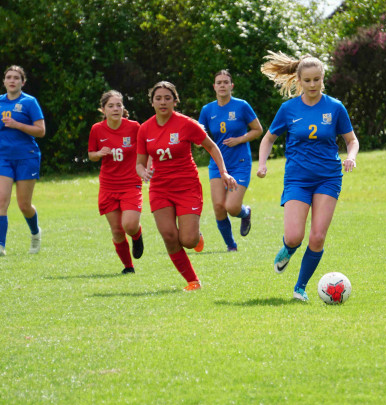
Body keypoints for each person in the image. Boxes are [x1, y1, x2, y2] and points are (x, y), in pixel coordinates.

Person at [257, 51, 359, 301]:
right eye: (308, 80)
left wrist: (351, 156)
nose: (313, 85)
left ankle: (299, 288)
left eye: (317, 80)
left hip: (328, 177)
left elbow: (351, 140)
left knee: (317, 236)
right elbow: (268, 138)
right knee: (294, 236)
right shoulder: (288, 109)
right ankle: (288, 249)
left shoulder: (335, 107)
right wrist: (262, 164)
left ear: (323, 79)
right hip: (297, 179)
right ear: (299, 81)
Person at [136, 81, 237, 291]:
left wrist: (223, 172)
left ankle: (196, 236)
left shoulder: (186, 124)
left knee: (188, 240)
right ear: (152, 102)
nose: (163, 102)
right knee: (169, 236)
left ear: (175, 101)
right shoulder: (144, 129)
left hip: (187, 187)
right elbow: (139, 162)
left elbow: (212, 147)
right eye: (158, 98)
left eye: (167, 98)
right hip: (160, 189)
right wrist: (143, 172)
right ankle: (193, 281)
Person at [199, 70, 263, 251]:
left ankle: (246, 212)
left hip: (240, 163)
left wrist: (240, 139)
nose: (222, 85)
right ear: (214, 86)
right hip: (218, 165)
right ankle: (231, 246)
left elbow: (258, 130)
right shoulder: (207, 110)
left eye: (225, 82)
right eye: (218, 82)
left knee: (232, 207)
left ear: (231, 86)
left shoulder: (242, 106)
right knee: (219, 207)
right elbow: (200, 134)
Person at [0, 65, 45, 256]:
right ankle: (0, 246)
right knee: (1, 200)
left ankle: (35, 234)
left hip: (27, 156)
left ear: (22, 82)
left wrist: (18, 125)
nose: (12, 80)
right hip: (2, 157)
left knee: (24, 205)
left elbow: (41, 130)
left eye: (16, 78)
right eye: (9, 77)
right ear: (4, 81)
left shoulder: (30, 102)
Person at [88, 90, 144, 274]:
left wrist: (146, 167)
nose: (115, 109)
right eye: (111, 106)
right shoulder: (97, 129)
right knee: (117, 230)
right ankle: (128, 267)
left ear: (123, 108)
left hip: (130, 184)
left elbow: (146, 148)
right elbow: (91, 155)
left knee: (129, 225)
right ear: (103, 109)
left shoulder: (134, 127)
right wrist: (99, 153)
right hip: (108, 186)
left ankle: (137, 235)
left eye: (119, 105)